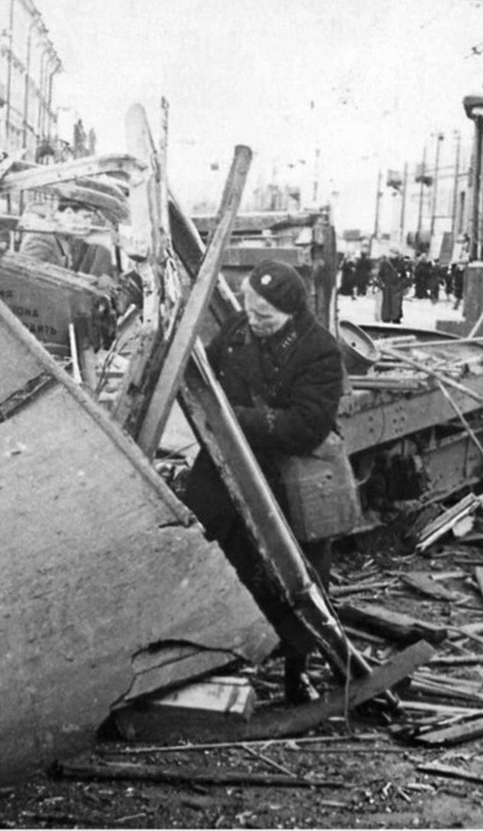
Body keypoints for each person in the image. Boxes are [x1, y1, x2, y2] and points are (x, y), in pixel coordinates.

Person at [181, 260, 345, 705]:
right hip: (226, 465)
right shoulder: (239, 331)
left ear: (291, 313)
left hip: (285, 475)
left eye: (265, 316)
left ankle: (297, 669)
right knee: (209, 545)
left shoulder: (320, 351)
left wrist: (235, 417)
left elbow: (307, 425)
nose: (254, 321)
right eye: (250, 309)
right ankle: (217, 656)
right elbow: (206, 376)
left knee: (298, 573)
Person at [378, 251, 405, 323]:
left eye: (395, 253)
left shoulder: (400, 263)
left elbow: (403, 275)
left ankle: (395, 318)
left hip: (396, 287)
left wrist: (402, 284)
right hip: (387, 286)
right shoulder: (385, 263)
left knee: (395, 303)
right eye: (392, 253)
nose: (393, 255)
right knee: (388, 303)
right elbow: (381, 274)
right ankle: (387, 318)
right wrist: (382, 284)